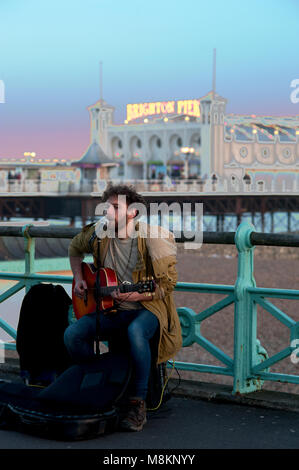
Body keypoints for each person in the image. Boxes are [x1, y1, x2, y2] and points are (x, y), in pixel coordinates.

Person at [64, 184, 182, 432]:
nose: (108, 210)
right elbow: (75, 247)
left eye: (116, 207)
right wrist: (81, 278)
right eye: (107, 205)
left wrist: (135, 294)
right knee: (73, 335)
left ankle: (137, 403)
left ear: (133, 213)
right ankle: (102, 383)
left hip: (148, 310)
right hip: (110, 309)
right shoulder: (99, 235)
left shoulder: (152, 239)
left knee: (136, 332)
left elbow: (166, 286)